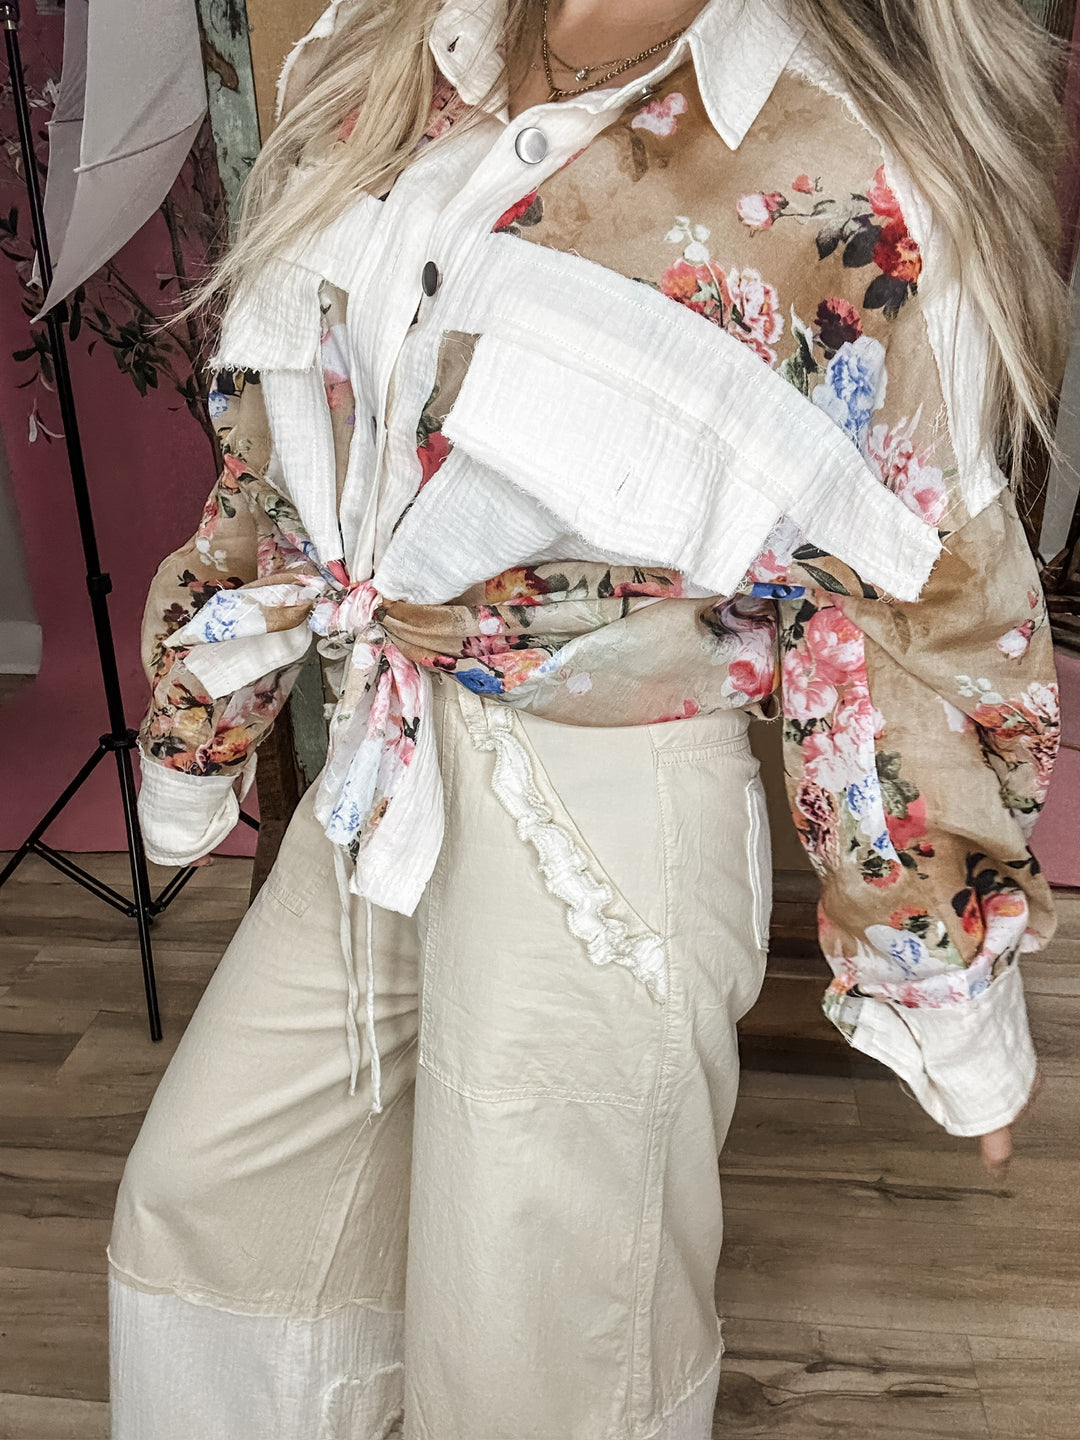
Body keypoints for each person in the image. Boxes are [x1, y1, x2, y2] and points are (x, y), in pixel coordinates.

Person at [107, 0, 1068, 1435]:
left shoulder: (839, 159)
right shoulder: (389, 49)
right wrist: (204, 716)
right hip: (388, 764)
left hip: (609, 823)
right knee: (211, 1213)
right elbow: (283, 440)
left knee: (531, 1369)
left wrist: (945, 982)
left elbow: (903, 611)